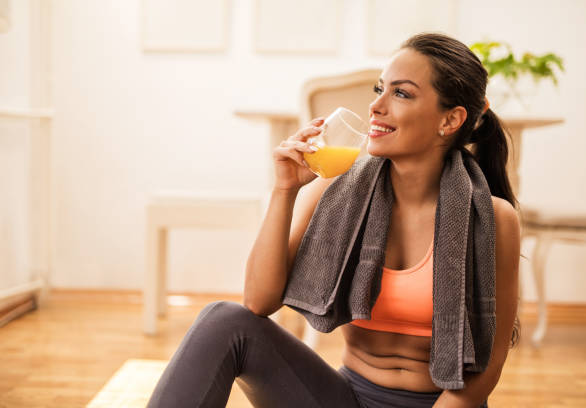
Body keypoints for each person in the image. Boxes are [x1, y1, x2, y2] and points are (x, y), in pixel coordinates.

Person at [146, 32, 522, 408]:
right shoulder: (336, 191)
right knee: (224, 321)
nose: (376, 105)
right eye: (380, 89)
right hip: (346, 398)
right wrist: (285, 190)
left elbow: (485, 371)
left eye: (401, 93)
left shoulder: (493, 219)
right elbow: (258, 302)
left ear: (451, 119)